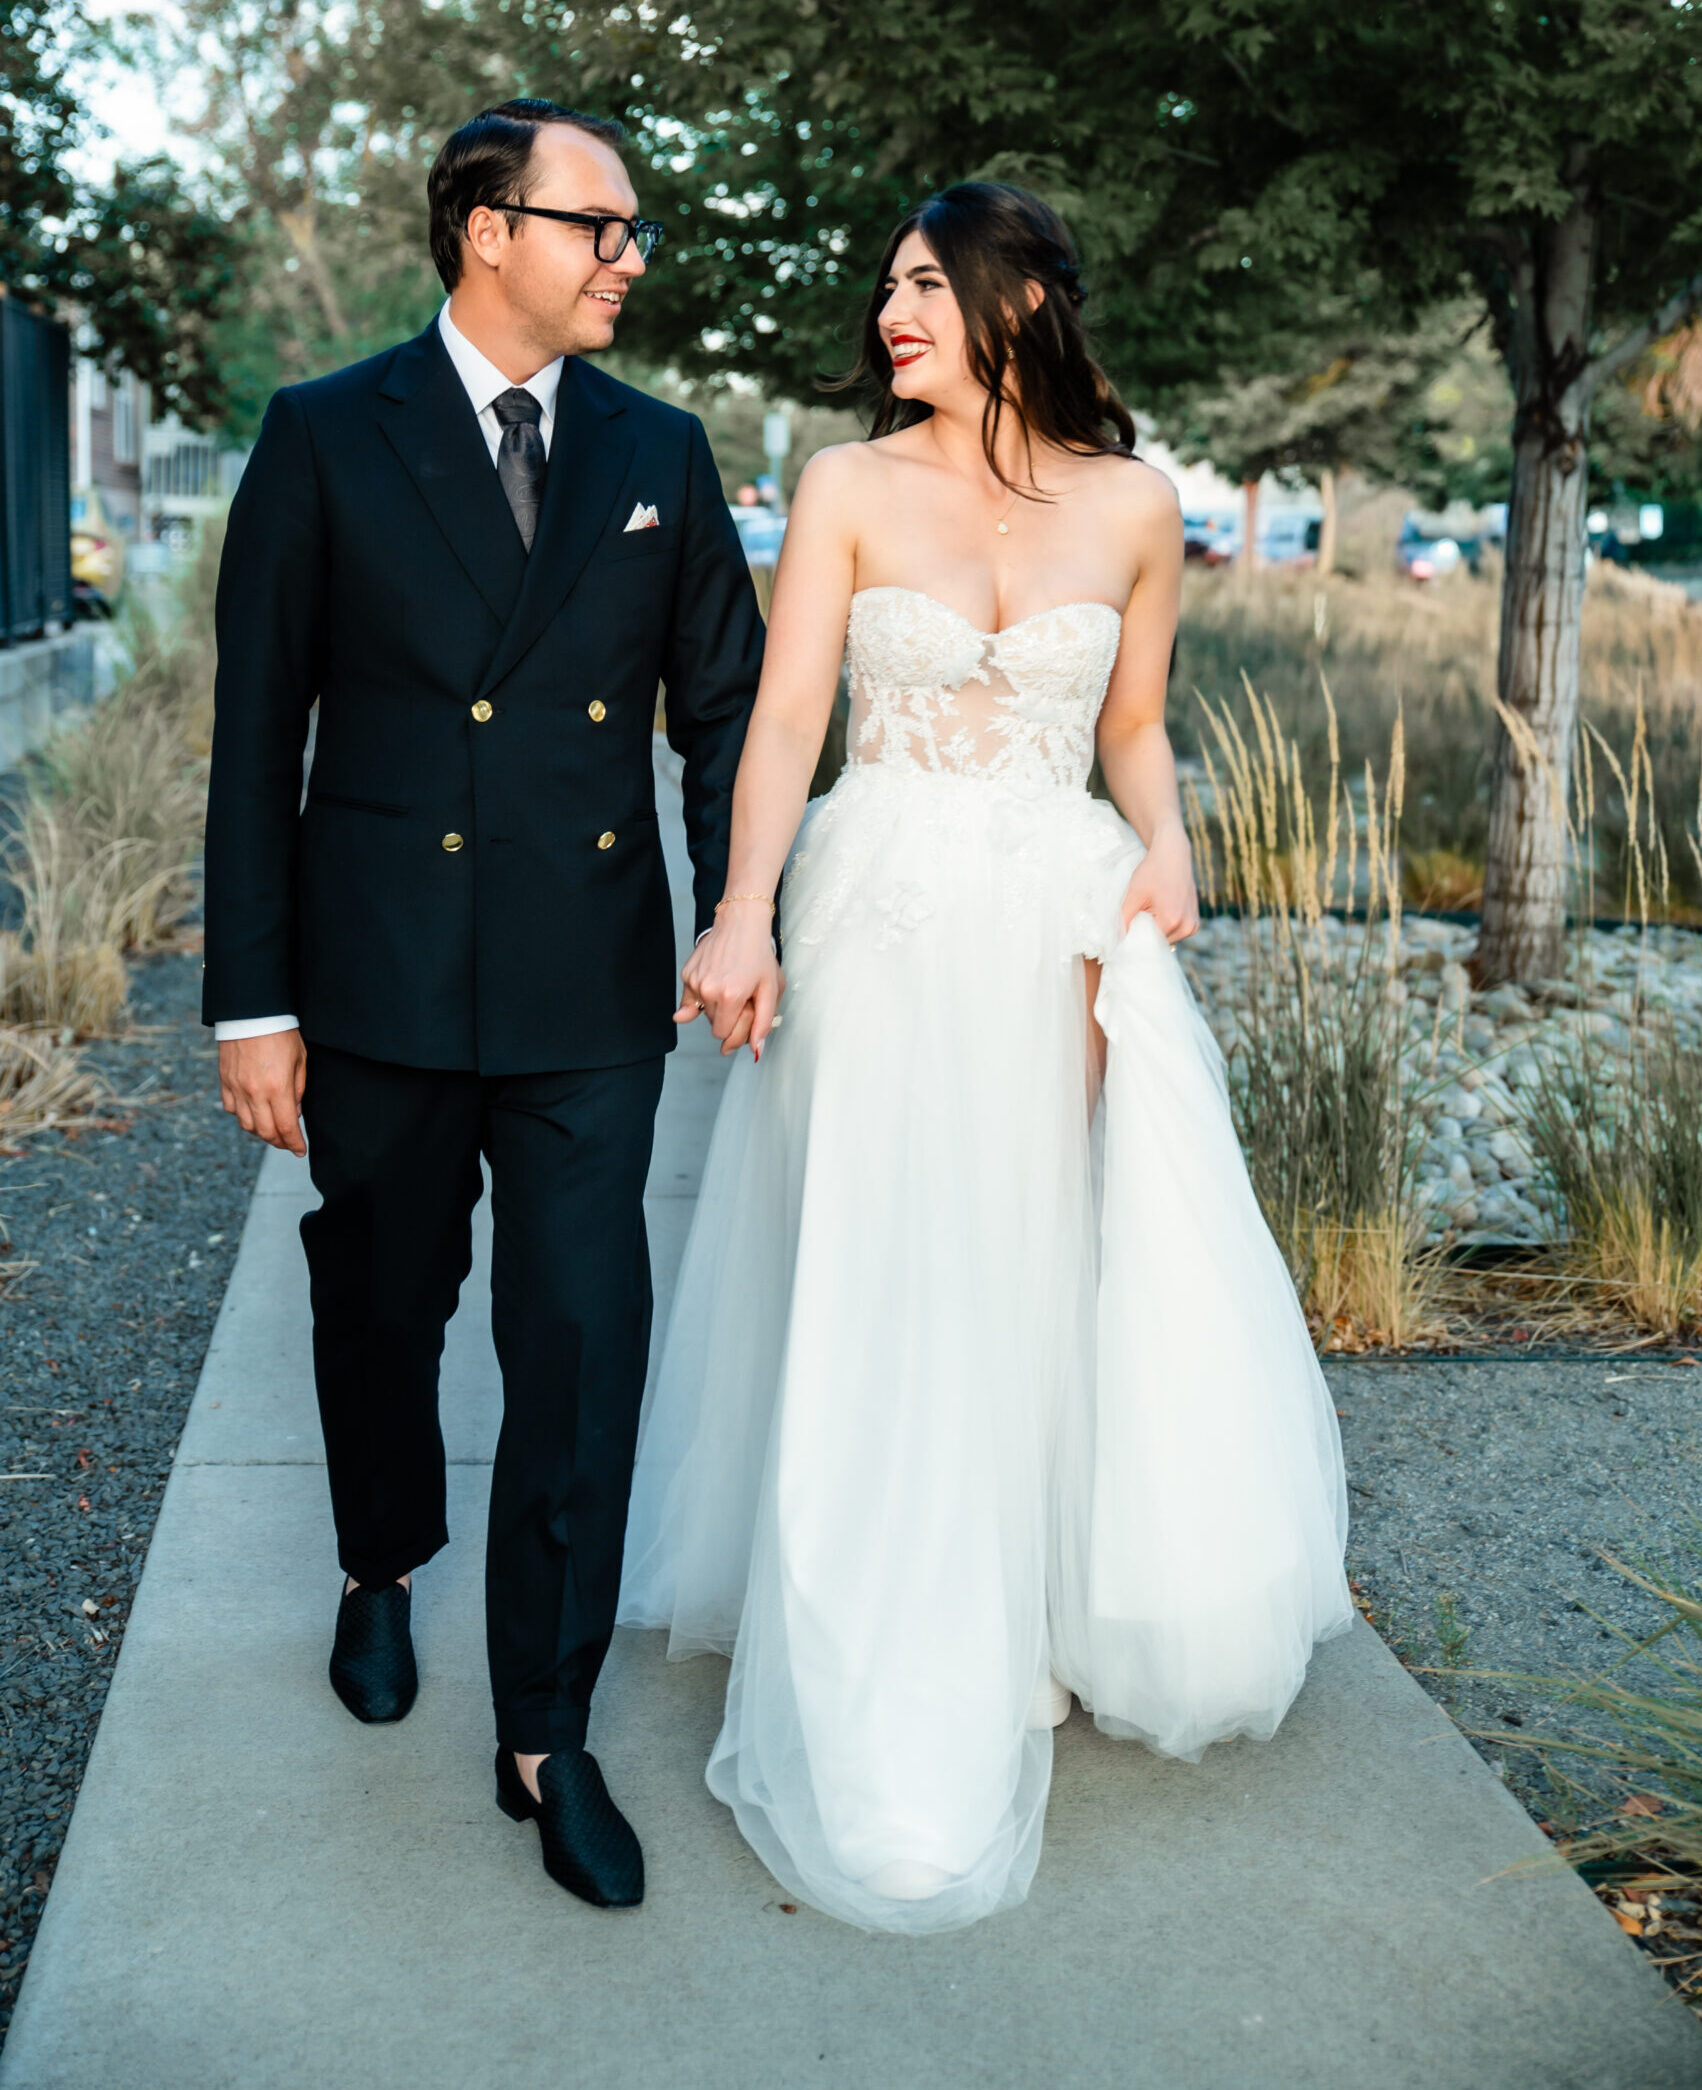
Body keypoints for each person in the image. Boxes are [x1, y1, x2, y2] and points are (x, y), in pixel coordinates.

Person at [618, 182, 1354, 1932]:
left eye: (928, 284)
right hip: (878, 909)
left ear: (1017, 304)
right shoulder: (847, 486)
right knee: (888, 1255)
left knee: (1039, 1248)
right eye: (888, 285)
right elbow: (788, 713)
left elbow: (1131, 722)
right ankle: (876, 1629)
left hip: (1058, 916)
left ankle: (1024, 1611)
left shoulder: (1135, 504)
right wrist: (738, 912)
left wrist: (1165, 846)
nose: (894, 311)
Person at [204, 99, 764, 1909]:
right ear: (482, 232)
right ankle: (380, 1560)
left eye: (631, 230)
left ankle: (547, 1724)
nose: (626, 257)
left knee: (580, 1345)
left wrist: (742, 909)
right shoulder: (321, 435)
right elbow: (250, 740)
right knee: (381, 1301)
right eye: (595, 225)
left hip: (589, 989)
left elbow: (727, 716)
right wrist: (249, 1004)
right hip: (370, 979)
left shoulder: (658, 451)